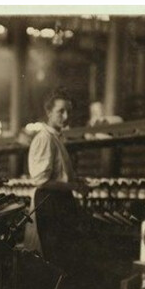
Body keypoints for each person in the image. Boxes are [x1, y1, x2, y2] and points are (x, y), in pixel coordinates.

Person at [23, 90, 87, 264]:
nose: (66, 116)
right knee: (53, 257)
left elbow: (57, 175)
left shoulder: (56, 138)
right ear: (49, 112)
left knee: (62, 255)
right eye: (61, 111)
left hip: (60, 200)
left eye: (69, 112)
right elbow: (42, 181)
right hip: (49, 202)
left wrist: (75, 181)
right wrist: (74, 186)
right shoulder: (45, 139)